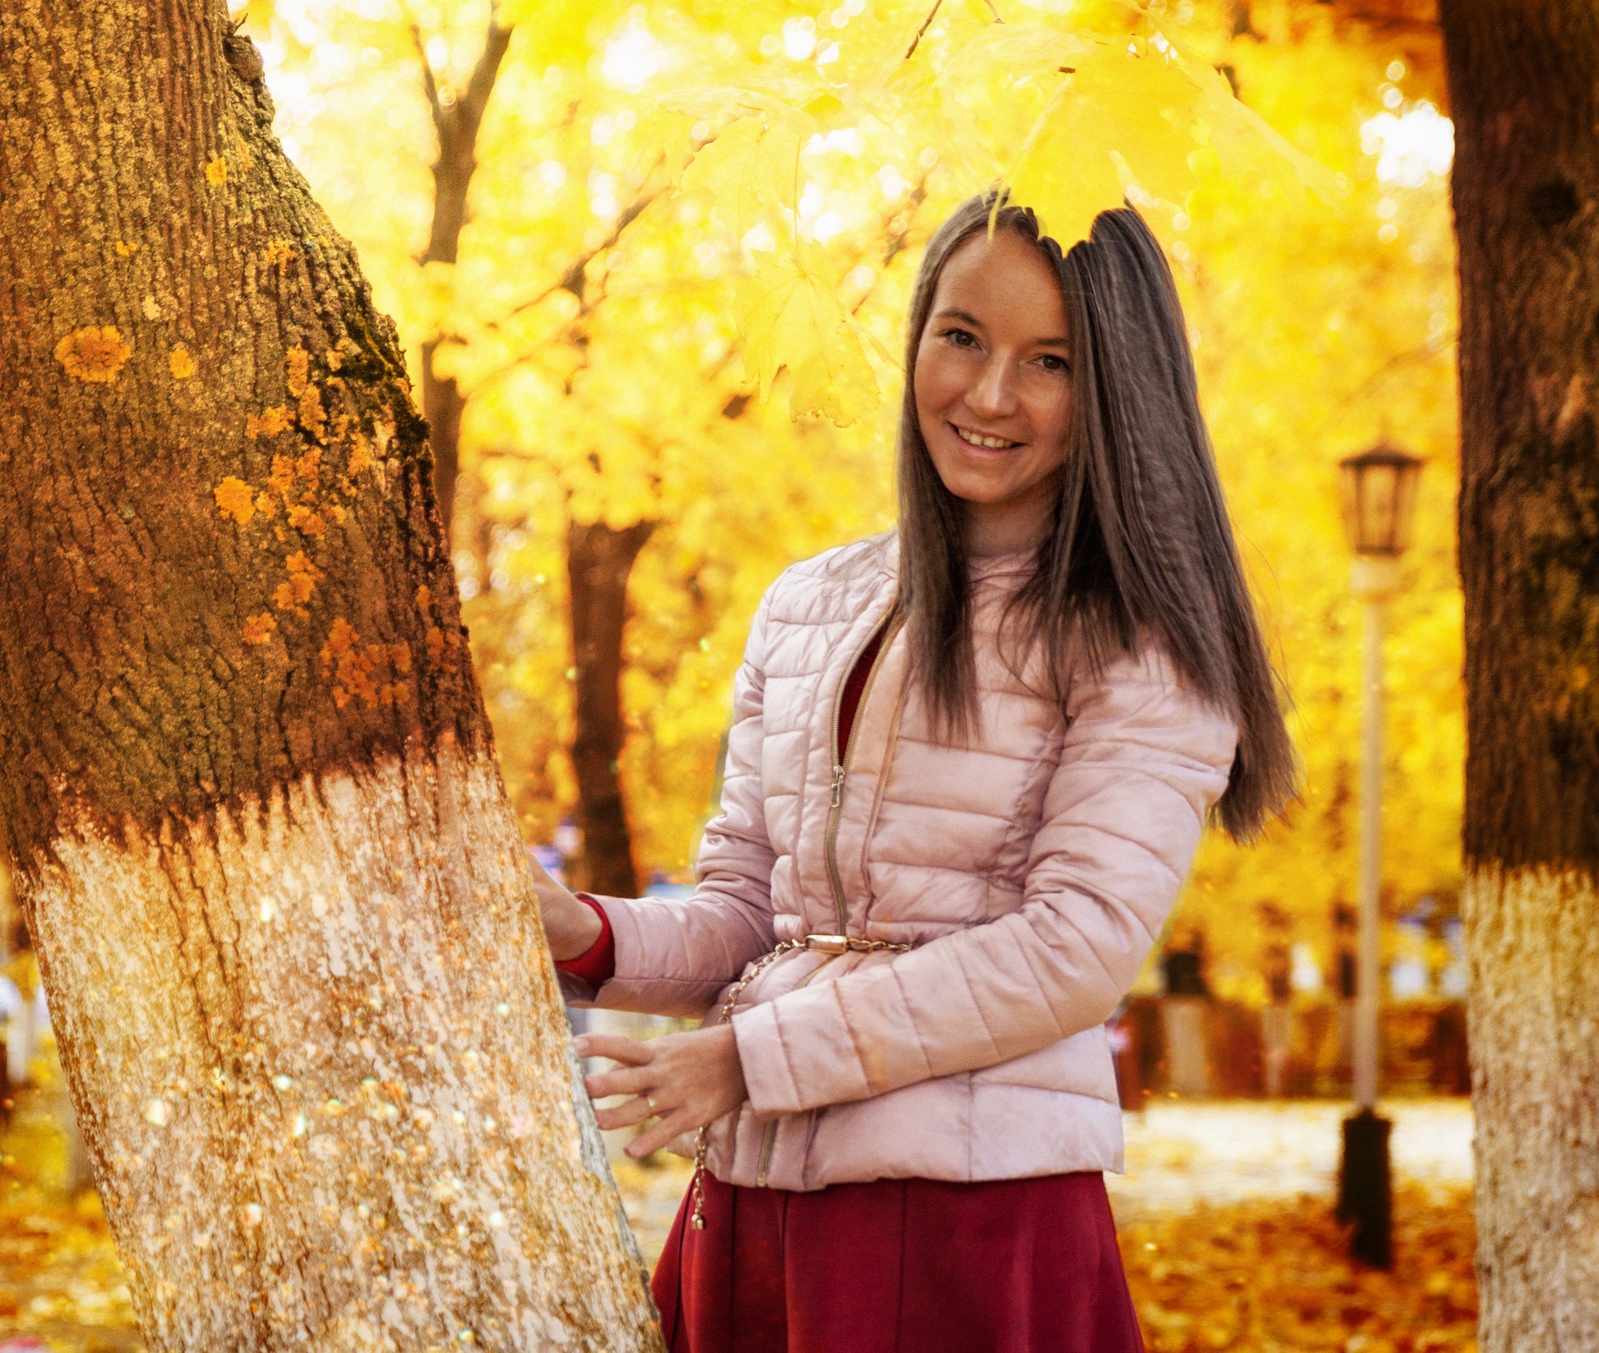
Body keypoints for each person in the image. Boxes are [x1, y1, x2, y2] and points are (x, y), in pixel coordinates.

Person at [529, 193, 1296, 1352]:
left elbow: (1074, 950)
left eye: (1050, 360)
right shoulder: (808, 603)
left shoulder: (1138, 637)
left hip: (964, 1228)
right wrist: (584, 932)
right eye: (961, 336)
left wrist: (747, 1058)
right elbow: (750, 910)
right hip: (750, 1210)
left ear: (1116, 391)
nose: (989, 394)